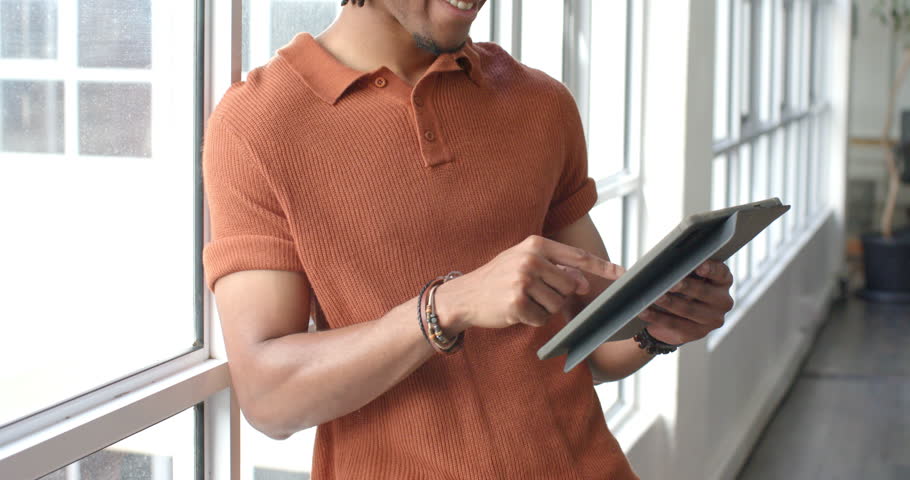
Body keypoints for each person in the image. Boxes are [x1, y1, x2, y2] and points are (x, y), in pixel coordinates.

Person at [201, 0, 735, 478]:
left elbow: (589, 348)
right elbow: (269, 398)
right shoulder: (258, 124)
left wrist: (660, 325)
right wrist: (446, 306)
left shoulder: (540, 102)